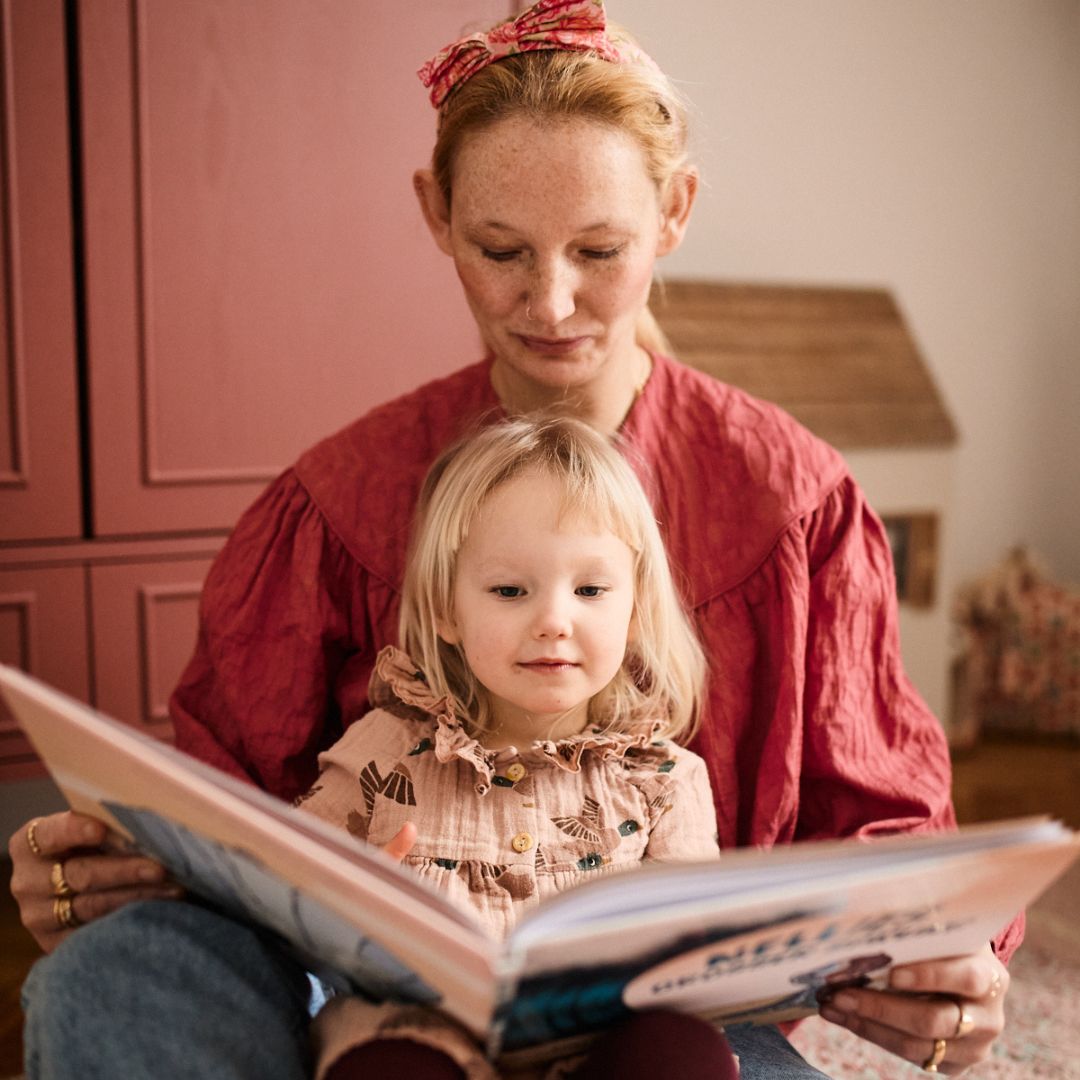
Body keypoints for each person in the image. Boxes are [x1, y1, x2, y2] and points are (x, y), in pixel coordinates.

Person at [11, 1, 1015, 1076]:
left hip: (664, 1032)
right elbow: (226, 814)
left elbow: (894, 831)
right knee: (105, 982)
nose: (552, 302)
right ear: (436, 212)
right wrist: (114, 868)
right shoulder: (341, 497)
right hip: (371, 1010)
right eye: (501, 249)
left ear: (674, 212)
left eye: (600, 249)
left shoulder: (794, 503)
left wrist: (953, 971)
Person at [299, 413, 731, 1078]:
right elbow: (284, 890)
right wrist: (344, 899)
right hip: (424, 1036)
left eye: (590, 590)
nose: (554, 622)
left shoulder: (663, 779)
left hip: (599, 1051)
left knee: (686, 1052)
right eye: (509, 590)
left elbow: (698, 956)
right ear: (447, 610)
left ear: (636, 610)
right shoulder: (385, 749)